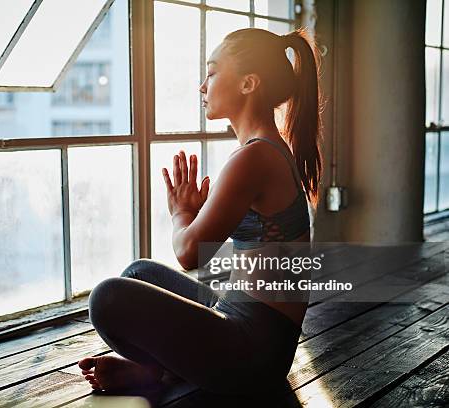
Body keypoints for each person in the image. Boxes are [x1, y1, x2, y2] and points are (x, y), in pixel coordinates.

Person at [78, 27, 322, 396]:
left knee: (108, 297)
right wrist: (192, 218)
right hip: (249, 326)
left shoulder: (254, 157)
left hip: (254, 355)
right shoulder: (267, 148)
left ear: (248, 84)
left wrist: (181, 214)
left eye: (211, 72)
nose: (202, 86)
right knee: (138, 272)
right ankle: (158, 371)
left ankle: (153, 375)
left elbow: (189, 253)